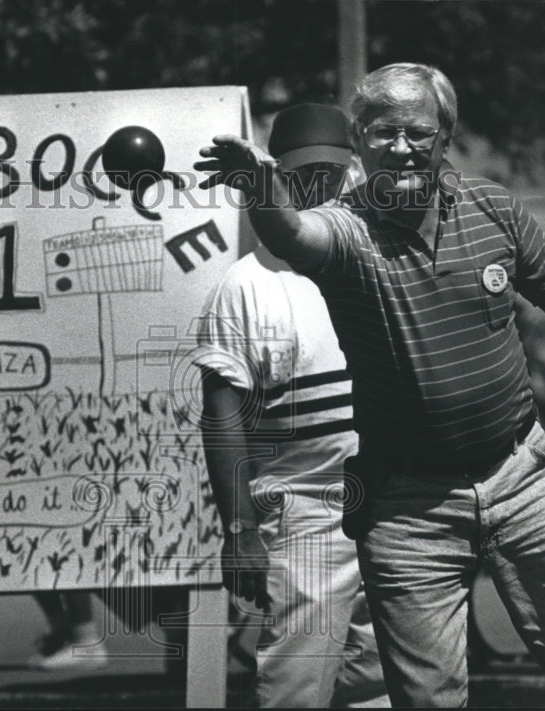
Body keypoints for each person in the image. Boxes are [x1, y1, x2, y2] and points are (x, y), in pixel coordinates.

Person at [194, 63, 545, 707]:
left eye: (419, 131)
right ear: (362, 140)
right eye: (385, 133)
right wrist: (258, 192)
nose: (404, 147)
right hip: (402, 506)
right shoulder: (344, 230)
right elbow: (292, 233)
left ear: (445, 134)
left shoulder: (494, 207)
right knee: (418, 696)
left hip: (521, 477)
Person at [195, 103, 388, 708]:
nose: (320, 183)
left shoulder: (381, 256)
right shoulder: (247, 283)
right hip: (305, 512)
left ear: (355, 170)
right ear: (275, 174)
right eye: (303, 171)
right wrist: (239, 529)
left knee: (385, 688)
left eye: (333, 169)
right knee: (295, 691)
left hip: (397, 502)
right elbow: (222, 413)